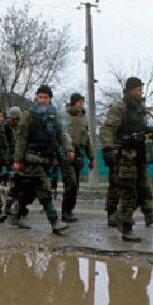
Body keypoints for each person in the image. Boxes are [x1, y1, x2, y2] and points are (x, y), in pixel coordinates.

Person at [99, 77, 153, 242]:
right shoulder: (120, 108)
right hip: (125, 155)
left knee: (144, 187)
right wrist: (107, 149)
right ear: (130, 90)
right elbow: (107, 129)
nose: (140, 93)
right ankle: (126, 226)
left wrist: (152, 130)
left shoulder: (138, 109)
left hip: (139, 154)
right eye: (137, 90)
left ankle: (148, 214)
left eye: (140, 90)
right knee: (128, 192)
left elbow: (141, 128)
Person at [10, 85, 69, 234]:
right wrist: (17, 160)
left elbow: (58, 135)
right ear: (36, 97)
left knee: (30, 191)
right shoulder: (29, 115)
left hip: (46, 159)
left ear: (50, 99)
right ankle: (54, 221)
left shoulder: (52, 115)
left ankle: (17, 213)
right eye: (40, 97)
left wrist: (63, 151)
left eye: (45, 97)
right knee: (44, 188)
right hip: (31, 158)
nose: (42, 100)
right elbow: (21, 138)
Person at [63, 93, 96, 222]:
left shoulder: (83, 118)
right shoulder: (66, 117)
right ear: (73, 103)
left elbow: (86, 139)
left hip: (79, 153)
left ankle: (70, 210)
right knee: (70, 183)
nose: (81, 105)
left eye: (82, 102)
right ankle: (66, 211)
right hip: (67, 153)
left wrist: (91, 157)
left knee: (76, 185)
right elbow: (62, 135)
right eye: (79, 102)